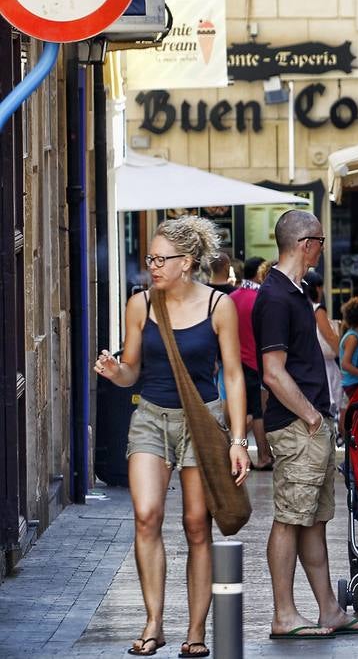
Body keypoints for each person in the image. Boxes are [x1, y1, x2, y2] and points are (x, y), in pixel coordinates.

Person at [94, 215, 249, 658]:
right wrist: (114, 371)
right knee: (146, 515)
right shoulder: (140, 304)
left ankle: (197, 631)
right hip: (151, 418)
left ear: (188, 262)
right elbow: (132, 371)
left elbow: (234, 377)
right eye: (150, 258)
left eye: (162, 259)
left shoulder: (219, 306)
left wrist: (238, 440)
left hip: (201, 421)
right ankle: (154, 622)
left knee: (197, 526)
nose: (153, 267)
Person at [255, 209, 358, 639]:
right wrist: (309, 417)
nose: (323, 248)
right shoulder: (276, 296)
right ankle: (284, 615)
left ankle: (329, 610)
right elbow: (272, 371)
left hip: (312, 422)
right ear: (306, 244)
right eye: (320, 240)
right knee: (289, 518)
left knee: (314, 520)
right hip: (298, 425)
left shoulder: (294, 291)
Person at [229, 256, 274, 470]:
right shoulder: (260, 298)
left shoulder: (233, 297)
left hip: (235, 362)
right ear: (258, 273)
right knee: (257, 412)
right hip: (255, 361)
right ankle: (264, 456)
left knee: (245, 411)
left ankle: (237, 449)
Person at [303, 271, 342, 420]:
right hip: (325, 363)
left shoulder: (301, 306)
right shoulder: (318, 309)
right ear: (316, 288)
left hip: (310, 360)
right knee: (330, 404)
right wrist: (342, 355)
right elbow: (329, 336)